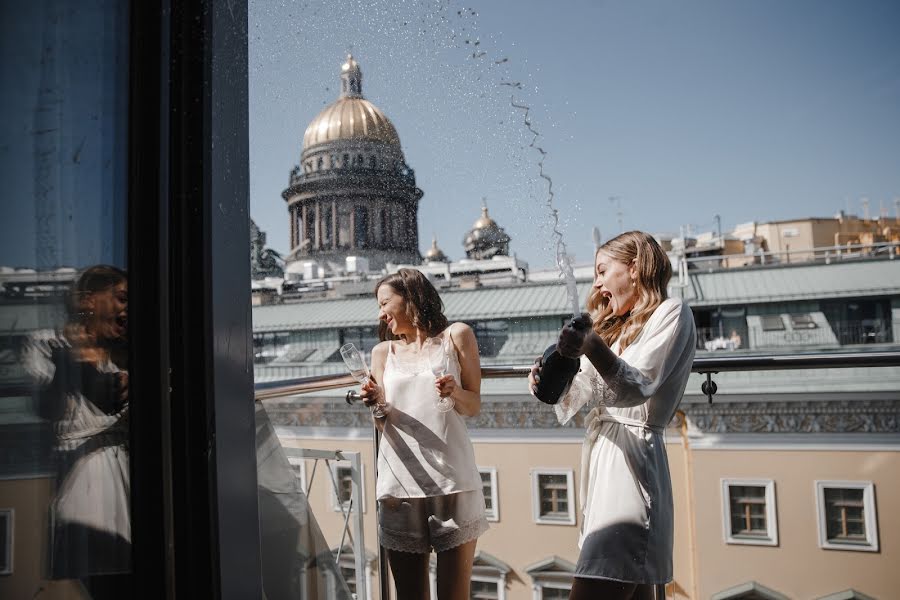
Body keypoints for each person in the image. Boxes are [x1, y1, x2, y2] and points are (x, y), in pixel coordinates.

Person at [529, 232, 696, 600]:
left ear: (634, 267)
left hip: (633, 468)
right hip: (606, 462)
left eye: (603, 271)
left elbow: (635, 387)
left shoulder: (673, 313)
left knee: (599, 582)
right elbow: (579, 395)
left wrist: (591, 345)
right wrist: (549, 378)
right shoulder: (614, 328)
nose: (598, 283)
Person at [359, 268, 488, 600]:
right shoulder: (381, 353)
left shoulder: (456, 336)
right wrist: (376, 403)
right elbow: (382, 424)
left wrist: (454, 392)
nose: (381, 313)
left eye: (385, 302)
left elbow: (472, 405)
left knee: (453, 595)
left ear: (411, 297)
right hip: (398, 485)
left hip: (452, 482)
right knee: (410, 596)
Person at [24, 265, 130, 598]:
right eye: (121, 298)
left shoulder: (127, 353)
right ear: (88, 300)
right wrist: (71, 363)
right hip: (86, 482)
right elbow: (48, 409)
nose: (127, 309)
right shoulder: (48, 345)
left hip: (128, 476)